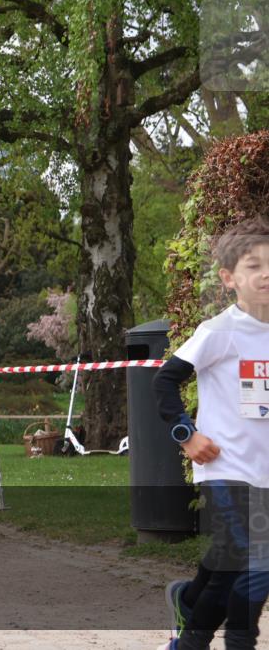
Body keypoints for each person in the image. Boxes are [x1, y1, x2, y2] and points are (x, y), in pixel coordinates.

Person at [152, 217, 269, 650]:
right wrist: (187, 434)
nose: (266, 273)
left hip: (264, 470)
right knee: (253, 561)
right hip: (224, 466)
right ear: (229, 278)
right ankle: (238, 642)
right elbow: (164, 381)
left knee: (229, 566)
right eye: (253, 265)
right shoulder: (220, 331)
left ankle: (189, 603)